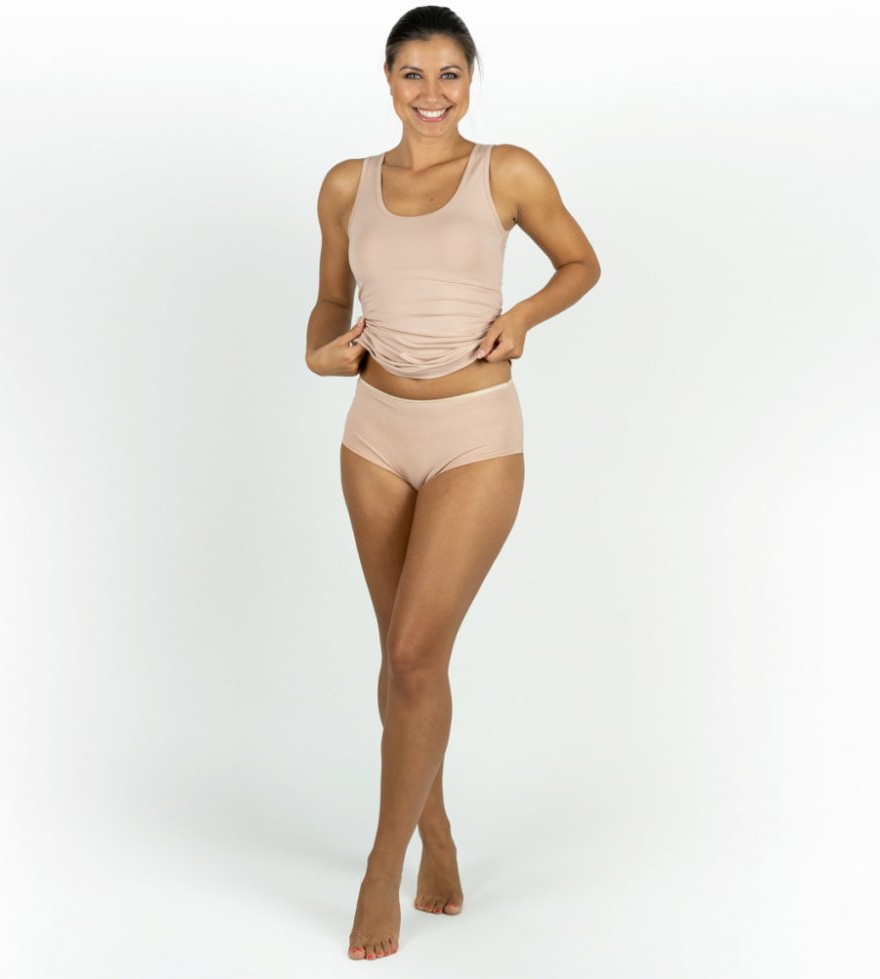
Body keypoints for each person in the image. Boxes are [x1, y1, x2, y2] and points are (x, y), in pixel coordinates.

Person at [304, 5, 600, 962]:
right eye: (412, 74)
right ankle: (434, 829)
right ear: (387, 81)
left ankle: (380, 865)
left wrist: (524, 317)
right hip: (373, 435)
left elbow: (581, 262)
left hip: (474, 433)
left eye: (449, 75)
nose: (431, 93)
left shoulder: (506, 170)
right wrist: (318, 350)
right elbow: (330, 299)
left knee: (414, 652)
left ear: (471, 81)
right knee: (402, 662)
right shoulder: (346, 183)